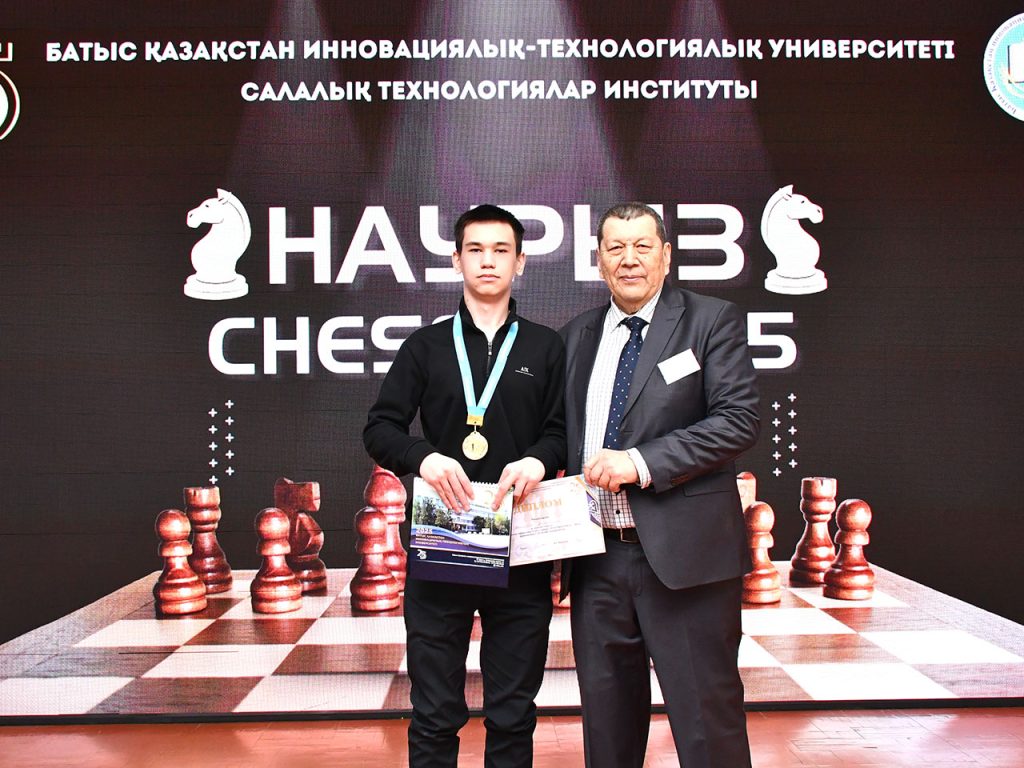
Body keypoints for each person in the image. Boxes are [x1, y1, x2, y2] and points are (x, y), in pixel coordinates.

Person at [364, 204, 566, 768]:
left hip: (520, 546)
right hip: (442, 544)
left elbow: (561, 432)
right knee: (433, 713)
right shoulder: (425, 346)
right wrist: (422, 457)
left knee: (513, 713)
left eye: (501, 250)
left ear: (520, 262)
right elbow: (380, 428)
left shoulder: (546, 347)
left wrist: (539, 459)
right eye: (475, 249)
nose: (488, 261)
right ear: (456, 260)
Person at [559, 202, 760, 768]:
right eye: (616, 248)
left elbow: (738, 420)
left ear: (666, 256)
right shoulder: (575, 337)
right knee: (608, 731)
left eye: (643, 246)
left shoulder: (710, 320)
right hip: (596, 561)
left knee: (707, 728)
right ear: (599, 260)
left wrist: (640, 462)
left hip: (687, 559)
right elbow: (559, 436)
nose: (629, 259)